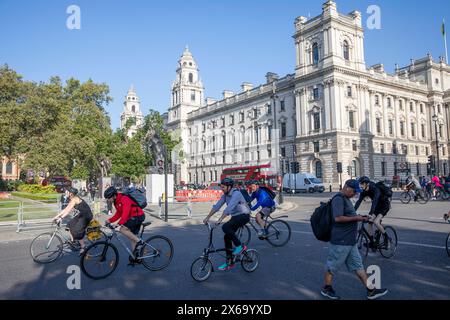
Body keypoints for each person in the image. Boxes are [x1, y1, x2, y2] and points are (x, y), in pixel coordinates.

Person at [321, 179, 388, 300]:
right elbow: (338, 218)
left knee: (358, 266)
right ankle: (326, 288)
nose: (355, 194)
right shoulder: (338, 199)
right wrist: (357, 218)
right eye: (354, 191)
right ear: (346, 187)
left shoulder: (346, 199)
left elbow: (349, 215)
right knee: (332, 266)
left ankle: (371, 290)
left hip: (350, 242)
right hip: (341, 241)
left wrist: (361, 217)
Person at [203, 178, 251, 271]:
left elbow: (229, 208)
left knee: (225, 226)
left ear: (229, 187)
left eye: (223, 187)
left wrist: (220, 219)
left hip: (244, 216)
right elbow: (217, 206)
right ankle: (229, 262)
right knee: (226, 237)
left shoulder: (236, 194)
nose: (222, 189)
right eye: (221, 187)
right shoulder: (225, 195)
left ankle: (240, 246)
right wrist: (207, 217)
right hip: (235, 217)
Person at [104, 186, 145, 263]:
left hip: (138, 216)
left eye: (108, 198)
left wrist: (119, 224)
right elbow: (119, 213)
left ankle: (140, 242)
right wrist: (110, 220)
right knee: (132, 238)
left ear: (114, 196)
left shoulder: (124, 198)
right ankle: (136, 258)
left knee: (122, 229)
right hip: (132, 217)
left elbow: (126, 213)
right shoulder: (116, 202)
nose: (108, 200)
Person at [53, 187, 93, 255]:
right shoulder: (72, 199)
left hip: (86, 216)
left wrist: (60, 218)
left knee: (77, 231)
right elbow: (65, 209)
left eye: (67, 192)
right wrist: (56, 217)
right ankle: (73, 241)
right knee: (69, 225)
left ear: (70, 194)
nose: (66, 192)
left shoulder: (75, 199)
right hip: (81, 215)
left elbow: (67, 211)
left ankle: (83, 247)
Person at [355, 177, 391, 248]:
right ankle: (372, 242)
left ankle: (387, 240)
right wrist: (353, 211)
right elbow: (358, 202)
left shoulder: (375, 189)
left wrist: (371, 214)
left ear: (367, 184)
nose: (361, 185)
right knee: (370, 222)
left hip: (384, 206)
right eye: (360, 184)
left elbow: (374, 201)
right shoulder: (364, 191)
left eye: (362, 184)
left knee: (376, 222)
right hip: (377, 206)